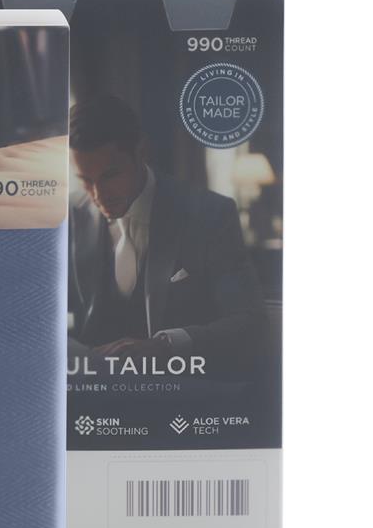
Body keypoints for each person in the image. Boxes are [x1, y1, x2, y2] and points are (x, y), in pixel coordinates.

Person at [68, 95, 265, 372]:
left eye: (110, 175)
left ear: (141, 152)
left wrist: (168, 345)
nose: (98, 195)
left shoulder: (210, 214)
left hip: (182, 385)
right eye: (86, 180)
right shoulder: (70, 214)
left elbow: (250, 322)